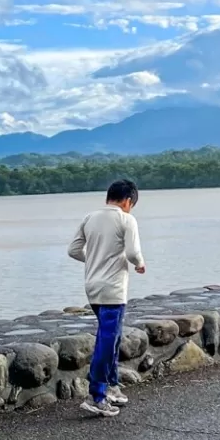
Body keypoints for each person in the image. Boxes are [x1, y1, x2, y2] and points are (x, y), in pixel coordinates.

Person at [67, 178, 146, 418]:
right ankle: (96, 395)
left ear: (108, 197)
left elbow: (73, 250)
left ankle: (112, 386)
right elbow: (132, 252)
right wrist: (140, 264)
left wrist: (93, 260)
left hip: (92, 287)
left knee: (112, 336)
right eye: (132, 204)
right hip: (113, 289)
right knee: (107, 341)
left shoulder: (90, 217)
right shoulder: (126, 219)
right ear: (128, 201)